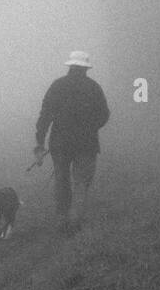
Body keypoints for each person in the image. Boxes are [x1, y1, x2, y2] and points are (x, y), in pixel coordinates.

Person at [33, 51, 110, 235]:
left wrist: (40, 142)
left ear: (70, 66)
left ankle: (61, 220)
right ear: (85, 68)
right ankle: (74, 222)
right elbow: (104, 114)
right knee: (81, 182)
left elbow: (45, 116)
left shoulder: (57, 86)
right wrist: (91, 128)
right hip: (87, 144)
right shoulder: (94, 87)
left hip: (60, 143)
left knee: (61, 180)